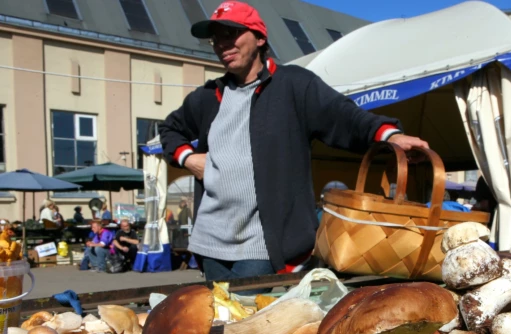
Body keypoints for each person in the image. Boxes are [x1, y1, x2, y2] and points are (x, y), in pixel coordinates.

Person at [159, 1, 428, 285]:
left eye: (232, 33)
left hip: (264, 245)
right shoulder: (206, 97)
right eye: (216, 38)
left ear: (260, 37)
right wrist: (188, 158)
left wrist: (391, 135)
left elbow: (345, 117)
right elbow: (169, 129)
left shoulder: (294, 85)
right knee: (220, 322)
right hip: (210, 243)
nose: (223, 44)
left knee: (254, 323)